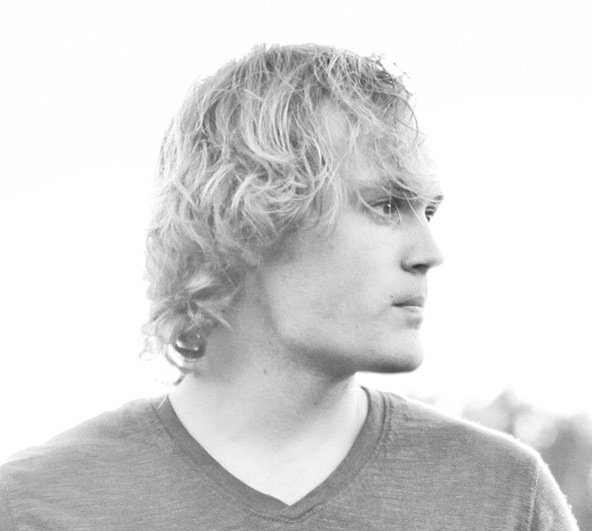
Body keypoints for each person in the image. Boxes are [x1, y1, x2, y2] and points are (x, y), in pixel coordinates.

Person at [0, 44, 579, 530]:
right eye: (385, 205)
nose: (429, 253)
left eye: (428, 212)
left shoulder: (503, 496)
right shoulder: (33, 509)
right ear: (246, 219)